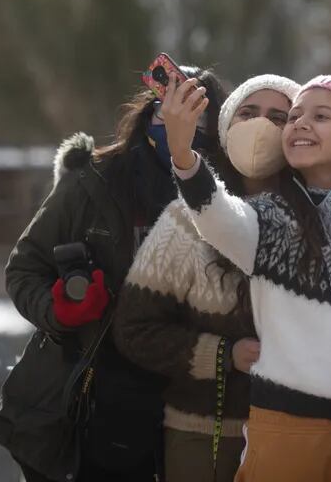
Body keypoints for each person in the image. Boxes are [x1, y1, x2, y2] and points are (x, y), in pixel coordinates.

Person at [163, 73, 331, 481]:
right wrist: (182, 152)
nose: (300, 124)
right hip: (284, 432)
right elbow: (214, 214)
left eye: (321, 116)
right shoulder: (268, 216)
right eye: (295, 116)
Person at [0, 66, 226, 482]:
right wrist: (59, 312)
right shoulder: (91, 179)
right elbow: (24, 268)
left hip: (180, 412)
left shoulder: (227, 198)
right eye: (164, 110)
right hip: (79, 406)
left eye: (194, 116)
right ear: (147, 114)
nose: (176, 124)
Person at [112, 74, 300, 482]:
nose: (260, 126)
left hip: (298, 435)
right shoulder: (184, 220)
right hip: (202, 439)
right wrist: (224, 355)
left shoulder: (317, 222)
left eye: (278, 117)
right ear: (226, 127)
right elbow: (134, 330)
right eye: (247, 113)